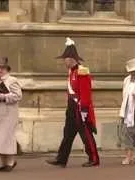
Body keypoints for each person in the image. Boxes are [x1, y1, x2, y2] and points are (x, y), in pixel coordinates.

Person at [46, 37, 100, 168]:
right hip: (71, 106)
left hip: (80, 107)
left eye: (65, 58)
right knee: (68, 134)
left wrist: (84, 109)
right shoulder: (71, 71)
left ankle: (94, 158)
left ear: (71, 59)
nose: (64, 61)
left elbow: (86, 92)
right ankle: (61, 159)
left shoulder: (82, 71)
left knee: (86, 134)